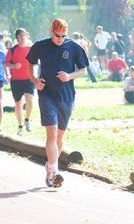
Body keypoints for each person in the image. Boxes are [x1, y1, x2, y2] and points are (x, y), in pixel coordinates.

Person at [26, 18, 89, 188]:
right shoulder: (40, 45)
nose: (60, 39)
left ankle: (50, 166)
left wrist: (69, 76)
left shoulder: (74, 46)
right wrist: (34, 80)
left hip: (67, 96)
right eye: (57, 35)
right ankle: (54, 172)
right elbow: (29, 63)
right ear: (51, 31)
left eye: (63, 36)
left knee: (60, 135)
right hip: (46, 94)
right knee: (52, 132)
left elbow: (83, 70)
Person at [5, 28, 35, 136]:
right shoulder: (12, 50)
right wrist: (14, 66)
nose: (22, 38)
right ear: (16, 38)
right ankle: (20, 125)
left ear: (27, 36)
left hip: (29, 79)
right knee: (18, 104)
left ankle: (27, 119)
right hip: (16, 81)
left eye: (24, 35)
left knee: (29, 101)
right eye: (20, 36)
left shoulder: (31, 49)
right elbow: (6, 64)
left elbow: (36, 62)